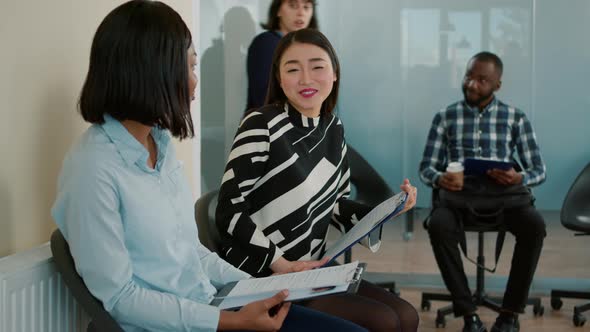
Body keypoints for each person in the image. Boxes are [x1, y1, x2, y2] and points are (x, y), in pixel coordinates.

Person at [50, 1, 369, 331]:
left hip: (212, 305)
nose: (194, 82)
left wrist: (268, 286)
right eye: (188, 67)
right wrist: (227, 322)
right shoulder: (93, 169)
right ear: (152, 71)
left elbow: (193, 255)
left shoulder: (159, 145)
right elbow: (121, 299)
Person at [216, 28, 420, 332]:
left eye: (317, 66)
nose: (306, 79)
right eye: (293, 69)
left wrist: (388, 210)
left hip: (309, 267)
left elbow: (335, 206)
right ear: (279, 77)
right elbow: (229, 211)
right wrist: (282, 264)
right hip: (263, 272)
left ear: (334, 73)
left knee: (406, 315)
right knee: (384, 321)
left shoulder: (333, 128)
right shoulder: (261, 124)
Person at [419, 51, 547, 332]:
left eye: (482, 80)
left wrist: (518, 176)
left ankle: (509, 316)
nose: (471, 85)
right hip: (458, 199)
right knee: (438, 225)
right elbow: (426, 168)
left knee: (535, 226)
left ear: (497, 85)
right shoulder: (445, 117)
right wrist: (441, 179)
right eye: (468, 76)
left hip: (504, 200)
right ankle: (469, 315)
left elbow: (539, 170)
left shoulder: (516, 118)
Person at [246, 0, 318, 111]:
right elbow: (264, 97)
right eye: (293, 6)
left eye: (306, 7)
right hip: (269, 125)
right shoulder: (267, 42)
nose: (301, 13)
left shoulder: (307, 48)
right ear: (278, 10)